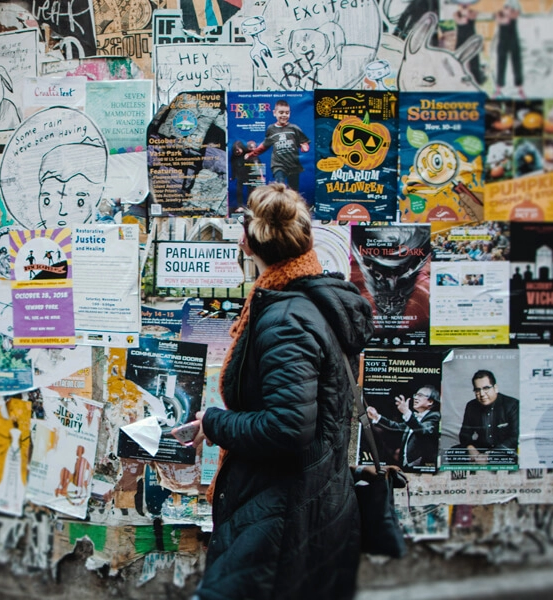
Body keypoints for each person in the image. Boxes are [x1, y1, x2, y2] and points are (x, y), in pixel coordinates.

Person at [190, 183, 373, 599]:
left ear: (247, 243)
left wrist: (216, 422)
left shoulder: (287, 318)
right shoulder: (314, 301)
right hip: (308, 506)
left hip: (280, 518)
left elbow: (288, 427)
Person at [366, 385, 441, 471]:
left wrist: (406, 412)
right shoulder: (414, 418)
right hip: (405, 465)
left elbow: (423, 430)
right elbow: (396, 427)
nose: (416, 398)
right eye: (415, 395)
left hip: (421, 466)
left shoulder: (435, 416)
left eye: (420, 395)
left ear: (430, 401)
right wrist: (377, 416)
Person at [455, 370, 519, 465]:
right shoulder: (471, 406)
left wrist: (489, 456)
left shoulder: (512, 404)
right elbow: (464, 434)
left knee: (510, 457)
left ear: (495, 388)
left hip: (502, 449)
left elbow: (514, 437)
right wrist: (472, 450)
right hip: (481, 448)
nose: (481, 394)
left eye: (486, 388)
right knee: (453, 453)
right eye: (477, 390)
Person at [246, 100, 310, 191]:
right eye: (281, 112)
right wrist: (251, 154)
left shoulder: (294, 128)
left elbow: (304, 142)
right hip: (278, 164)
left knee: (294, 190)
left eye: (287, 113)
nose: (284, 115)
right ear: (274, 113)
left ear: (290, 113)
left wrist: (305, 147)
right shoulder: (271, 129)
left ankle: (291, 205)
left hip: (293, 164)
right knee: (280, 187)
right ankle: (280, 204)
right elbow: (264, 146)